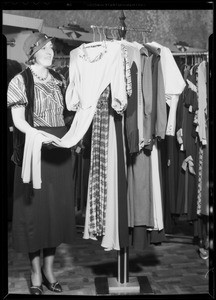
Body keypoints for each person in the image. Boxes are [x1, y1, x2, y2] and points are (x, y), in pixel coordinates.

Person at [7, 32, 76, 295]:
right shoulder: (19, 81)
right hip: (34, 149)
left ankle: (49, 269)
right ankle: (35, 272)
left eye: (51, 48)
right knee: (34, 212)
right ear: (32, 52)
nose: (50, 51)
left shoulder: (60, 79)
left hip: (59, 150)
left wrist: (72, 132)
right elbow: (19, 121)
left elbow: (68, 113)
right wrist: (38, 135)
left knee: (55, 212)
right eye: (45, 48)